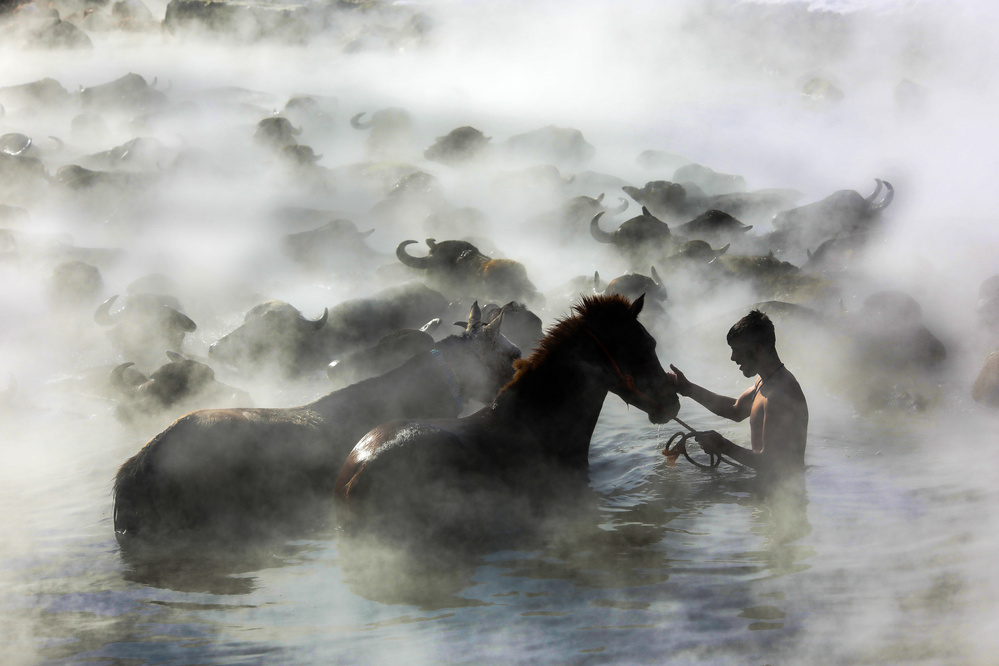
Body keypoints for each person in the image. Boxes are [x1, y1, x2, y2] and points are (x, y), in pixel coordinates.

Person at [667, 310, 808, 479]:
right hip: (766, 488)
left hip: (784, 494)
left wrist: (723, 446)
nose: (733, 357)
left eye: (736, 350)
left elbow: (772, 464)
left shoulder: (780, 395)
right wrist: (687, 388)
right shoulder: (764, 383)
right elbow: (735, 410)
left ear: (757, 348)